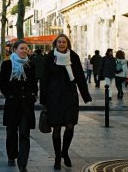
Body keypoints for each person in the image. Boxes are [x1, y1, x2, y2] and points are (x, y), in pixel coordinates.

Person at [40, 34, 92, 170]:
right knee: (56, 128)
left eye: (64, 42)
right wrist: (43, 98)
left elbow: (80, 76)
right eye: (59, 42)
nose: (61, 44)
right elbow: (44, 79)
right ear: (55, 44)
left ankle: (65, 152)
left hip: (70, 96)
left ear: (68, 44)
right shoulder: (50, 57)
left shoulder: (73, 57)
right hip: (54, 97)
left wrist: (86, 95)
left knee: (70, 126)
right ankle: (57, 157)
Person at [0, 40, 38, 172]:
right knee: (11, 133)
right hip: (13, 105)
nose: (24, 51)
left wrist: (33, 96)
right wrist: (9, 96)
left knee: (25, 134)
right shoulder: (7, 64)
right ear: (14, 50)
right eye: (21, 48)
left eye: (26, 48)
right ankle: (11, 155)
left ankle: (23, 164)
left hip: (26, 106)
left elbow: (34, 84)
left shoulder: (30, 65)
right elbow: (2, 84)